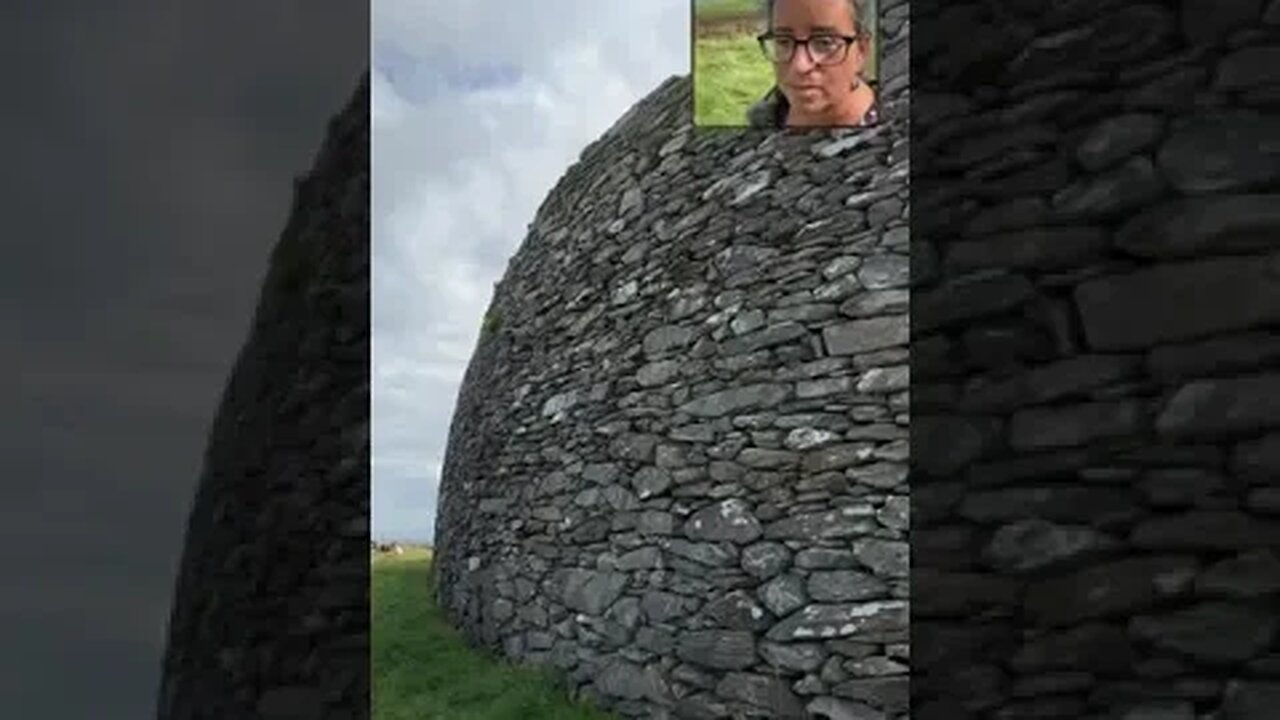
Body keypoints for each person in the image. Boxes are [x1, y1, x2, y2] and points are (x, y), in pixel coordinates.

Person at [747, 0, 878, 128]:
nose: (799, 65)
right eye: (783, 41)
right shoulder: (769, 113)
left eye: (824, 43)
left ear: (861, 50)